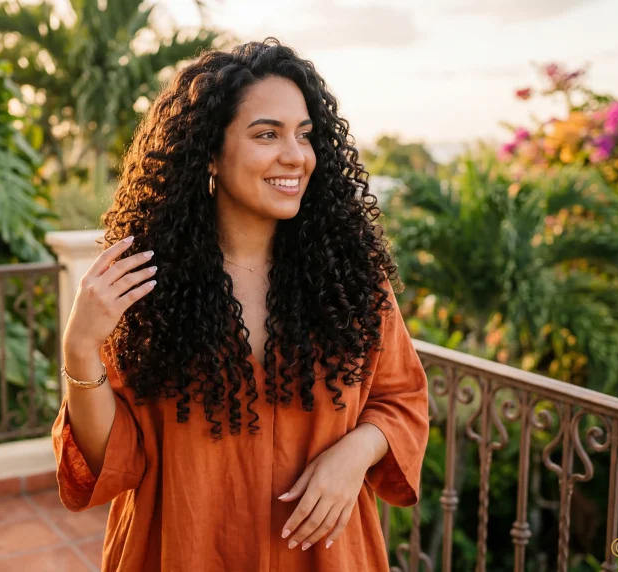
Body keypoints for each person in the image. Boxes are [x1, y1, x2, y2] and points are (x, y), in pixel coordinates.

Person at [53, 39, 430, 571]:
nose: (295, 155)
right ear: (210, 150)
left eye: (304, 135)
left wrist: (356, 452)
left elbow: (402, 400)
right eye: (266, 134)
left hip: (324, 558)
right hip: (184, 551)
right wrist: (80, 347)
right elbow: (115, 460)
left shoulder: (351, 280)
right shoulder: (145, 285)